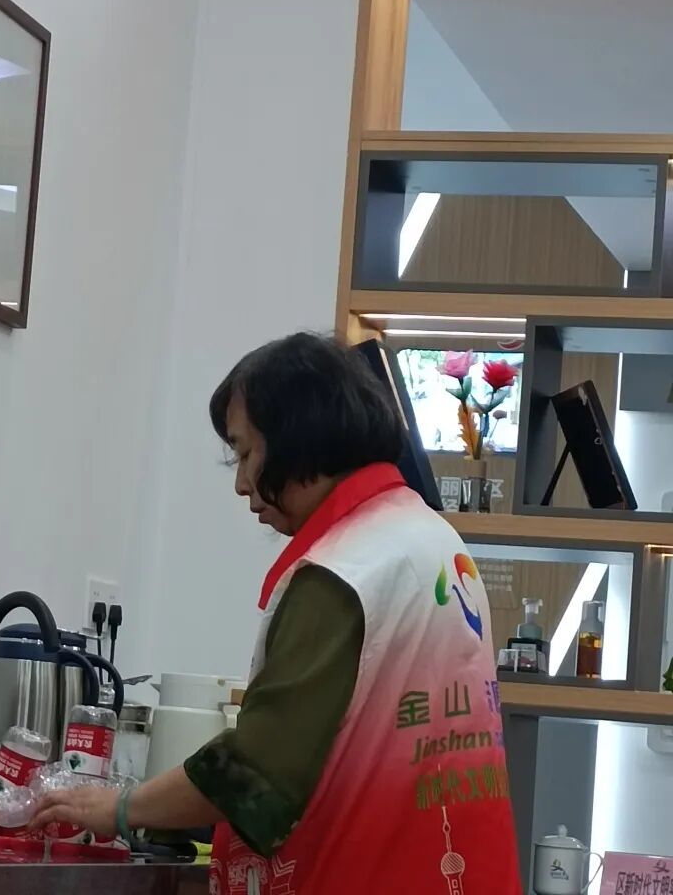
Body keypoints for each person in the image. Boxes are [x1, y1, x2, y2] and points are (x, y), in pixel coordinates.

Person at [33, 333, 522, 893]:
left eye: (245, 454)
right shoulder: (431, 537)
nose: (242, 484)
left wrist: (120, 808)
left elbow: (258, 771)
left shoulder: (346, 569)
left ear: (298, 436)